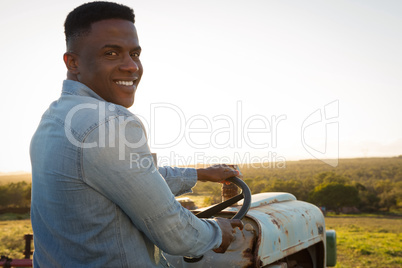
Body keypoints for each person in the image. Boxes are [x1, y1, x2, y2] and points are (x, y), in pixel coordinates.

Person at [30, 1, 243, 267]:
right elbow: (175, 233)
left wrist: (199, 174)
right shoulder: (109, 122)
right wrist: (216, 233)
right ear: (73, 62)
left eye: (135, 53)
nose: (131, 66)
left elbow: (131, 179)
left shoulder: (53, 118)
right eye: (111, 53)